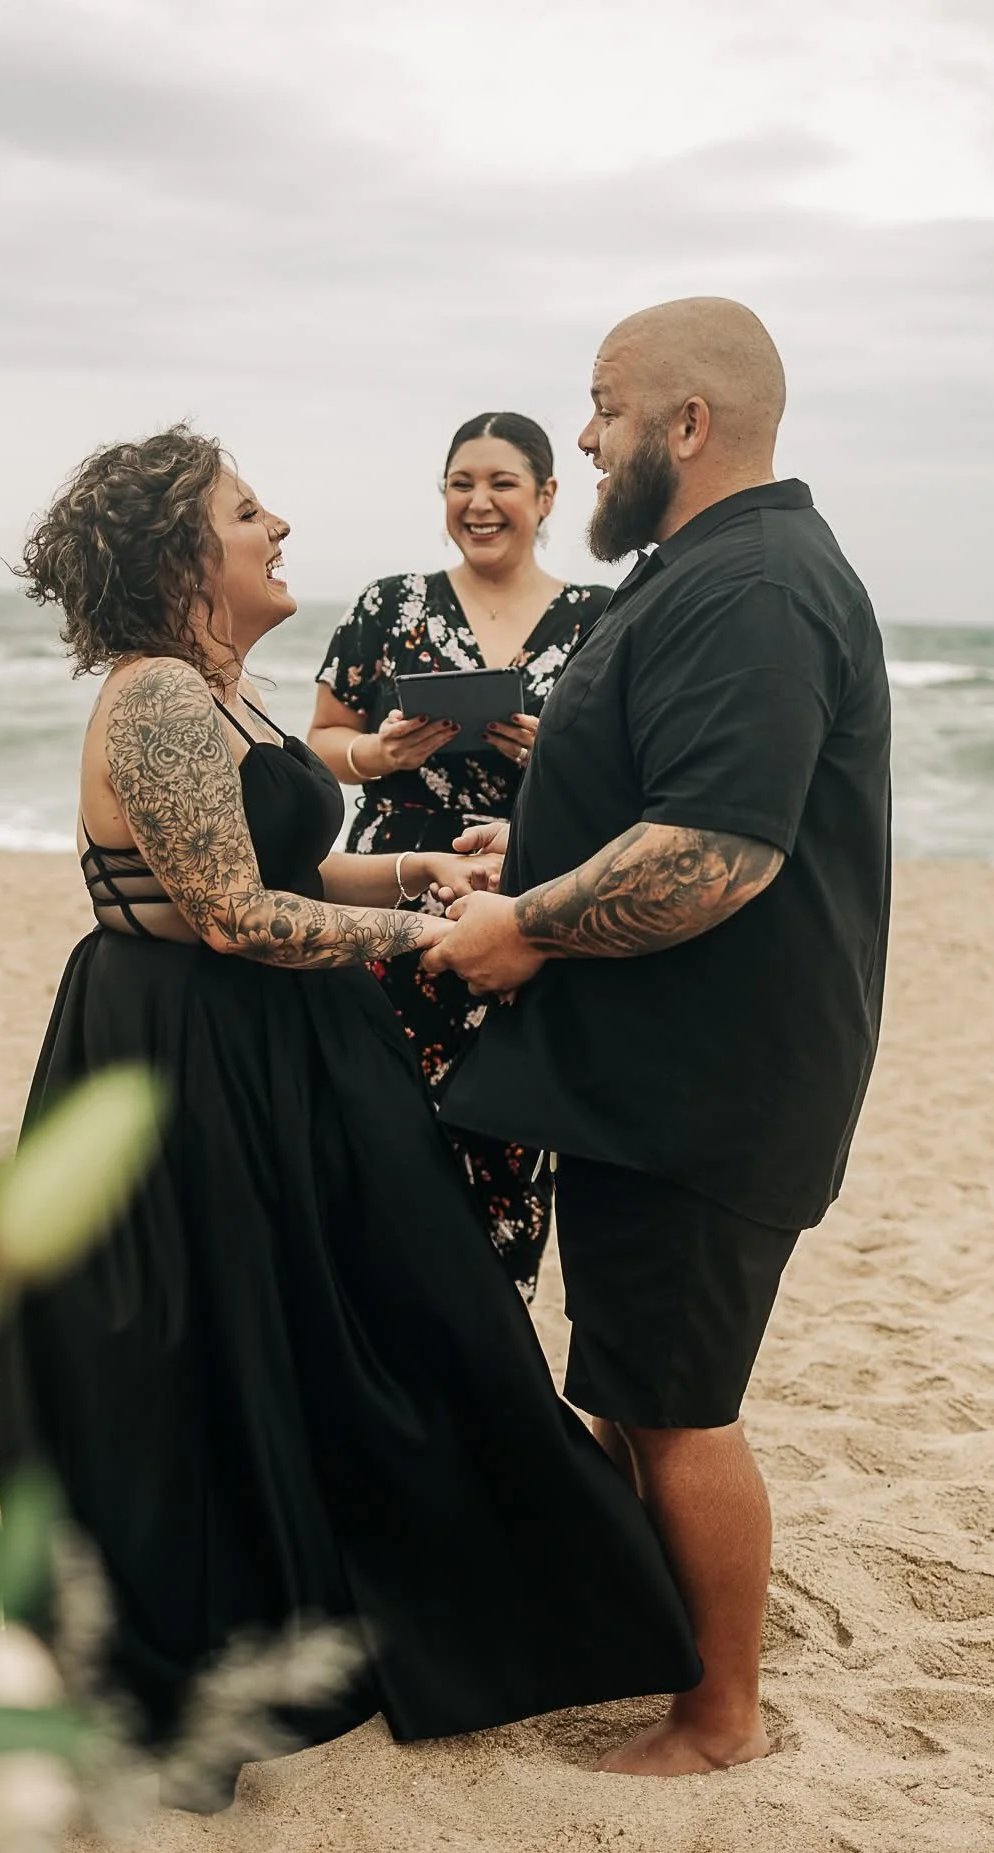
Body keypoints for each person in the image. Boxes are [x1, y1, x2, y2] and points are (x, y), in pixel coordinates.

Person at [0, 425, 699, 1767]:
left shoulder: (225, 691)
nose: (279, 528)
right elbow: (225, 921)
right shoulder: (153, 697)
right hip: (186, 1050)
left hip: (274, 1042)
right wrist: (430, 940)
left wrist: (419, 869)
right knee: (245, 1328)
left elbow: (284, 878)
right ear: (180, 555)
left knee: (359, 1310)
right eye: (247, 512)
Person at [431, 300, 892, 1778]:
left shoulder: (753, 583)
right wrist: (543, 841)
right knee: (626, 1380)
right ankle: (660, 1652)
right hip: (654, 1074)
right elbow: (659, 792)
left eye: (603, 406)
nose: (582, 435)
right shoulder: (702, 569)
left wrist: (530, 925)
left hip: (714, 1085)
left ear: (684, 426)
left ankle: (719, 1716)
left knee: (677, 1405)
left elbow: (720, 851)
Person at [306, 414, 610, 1298]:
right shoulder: (383, 603)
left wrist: (551, 753)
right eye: (459, 483)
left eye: (501, 483)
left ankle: (493, 1328)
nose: (478, 503)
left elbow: (627, 775)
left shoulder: (600, 618)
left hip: (526, 890)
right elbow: (320, 741)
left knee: (506, 1122)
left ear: (546, 496)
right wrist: (379, 755)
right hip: (387, 885)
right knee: (375, 1113)